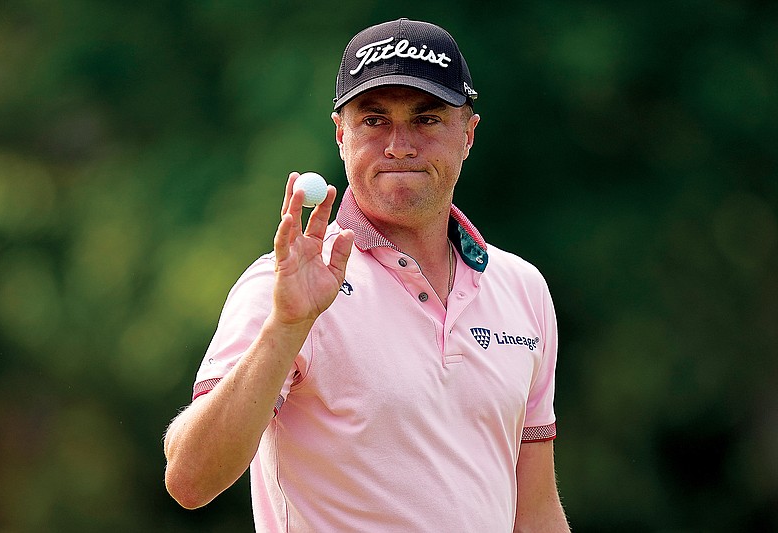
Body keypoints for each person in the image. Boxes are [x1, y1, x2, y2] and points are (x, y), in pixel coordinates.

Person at [164, 18, 570, 532]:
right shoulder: (285, 288)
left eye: (427, 119)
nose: (400, 145)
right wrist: (287, 327)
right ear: (341, 135)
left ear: (468, 133)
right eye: (374, 120)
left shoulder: (522, 289)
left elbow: (534, 512)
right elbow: (190, 480)